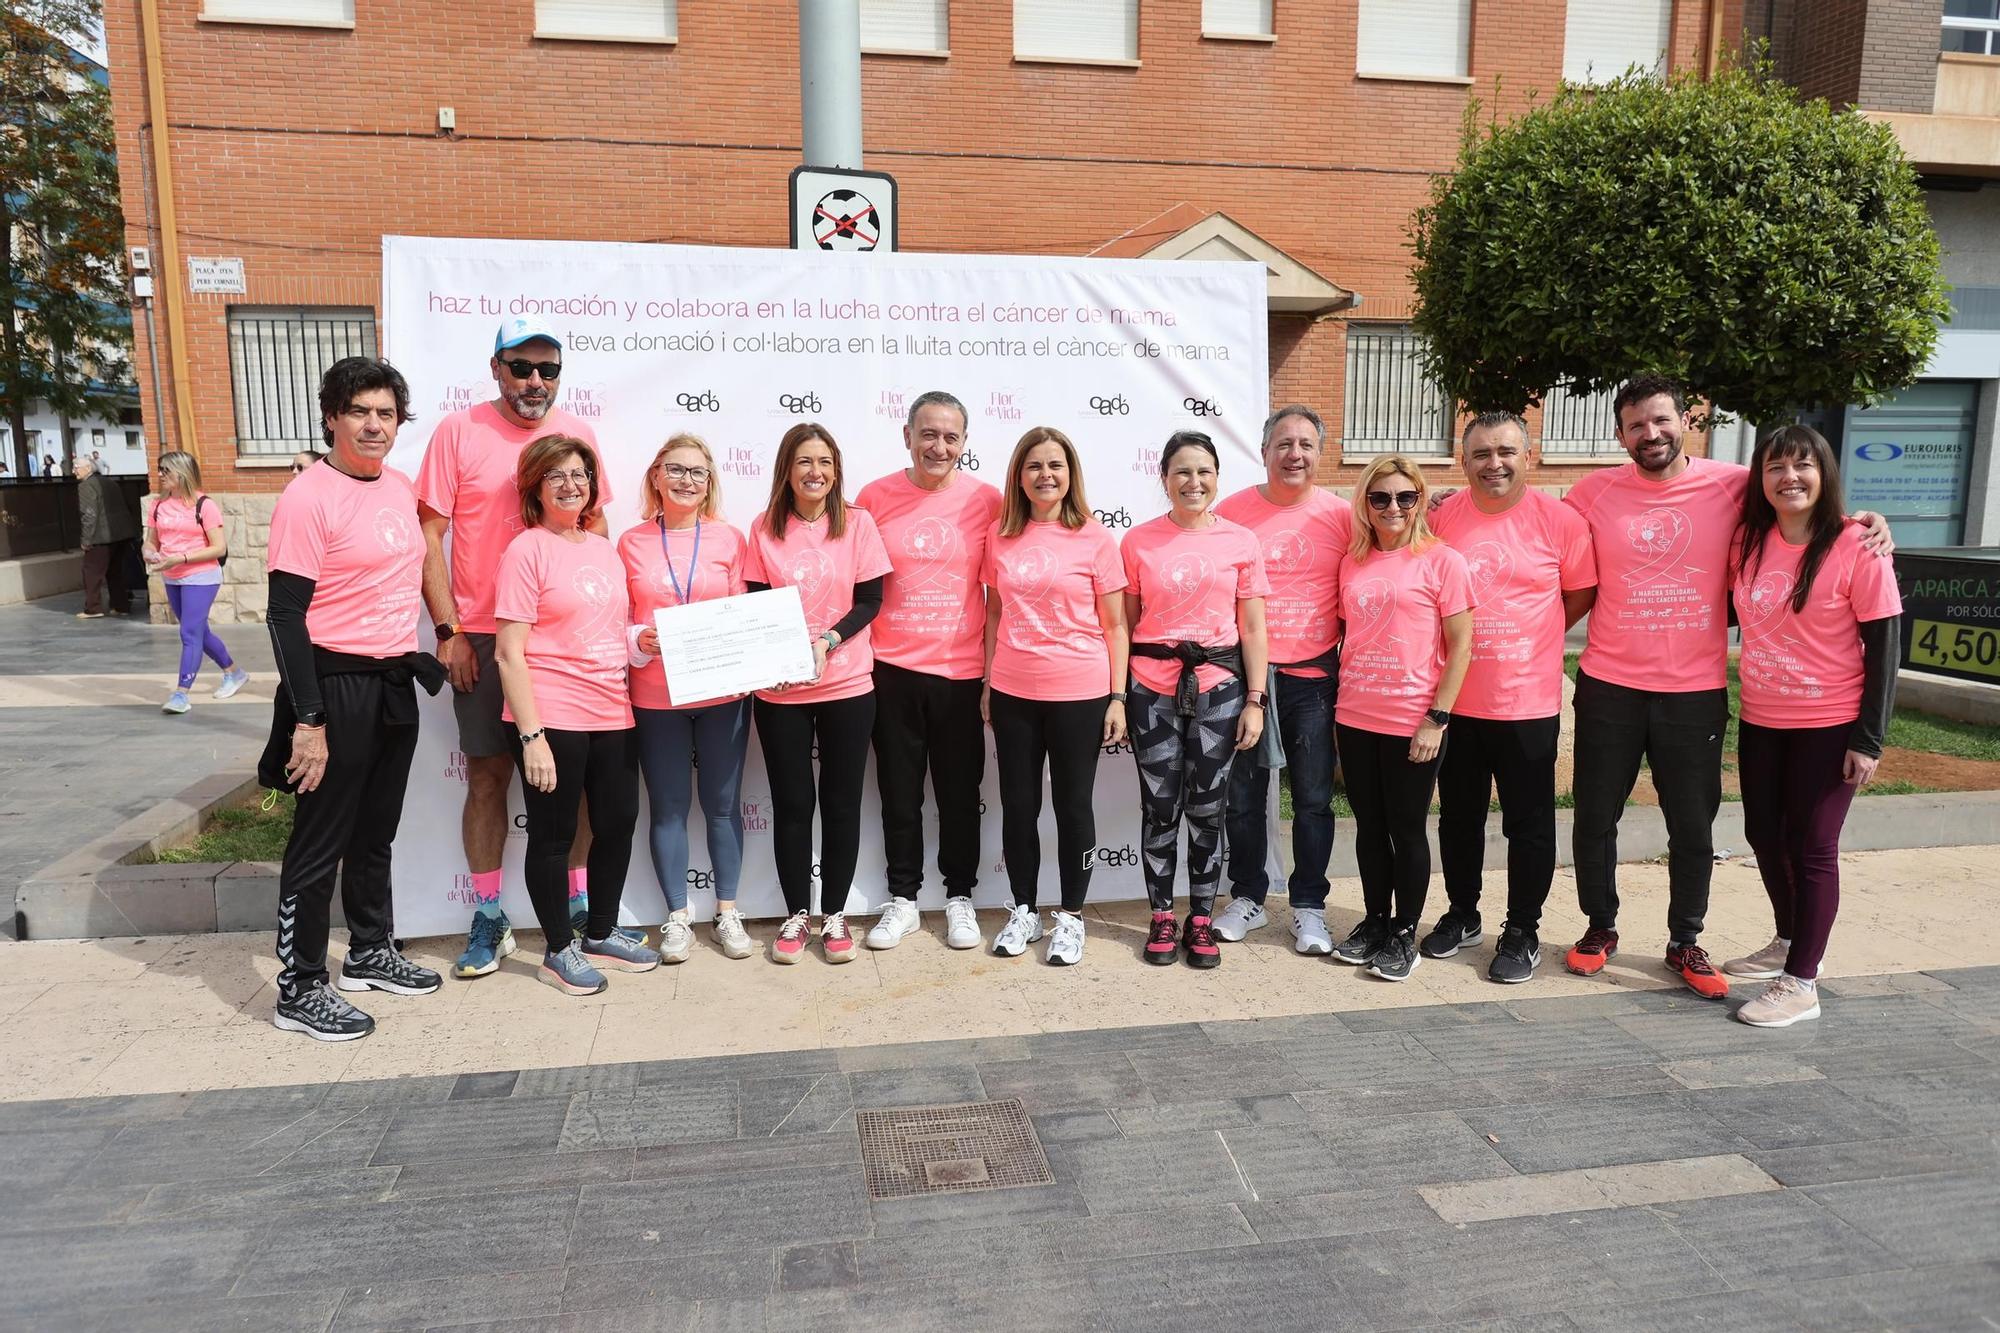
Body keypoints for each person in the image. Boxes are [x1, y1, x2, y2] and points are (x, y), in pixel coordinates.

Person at [1561, 375, 1892, 996]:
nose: (1650, 434)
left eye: (1661, 420)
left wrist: (1865, 523)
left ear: (1687, 419)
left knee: (1693, 824)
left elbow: (1799, 500)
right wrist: (1445, 503)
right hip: (1609, 685)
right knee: (1593, 816)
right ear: (1619, 434)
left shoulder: (1733, 483)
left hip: (1694, 691)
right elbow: (1531, 524)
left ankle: (1685, 940)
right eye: (1635, 425)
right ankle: (1599, 928)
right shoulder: (1591, 491)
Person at [416, 316, 611, 979]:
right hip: (483, 637)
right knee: (488, 776)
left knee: (576, 783)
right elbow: (429, 536)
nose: (535, 381)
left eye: (548, 369)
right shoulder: (458, 431)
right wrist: (448, 631)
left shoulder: (578, 434)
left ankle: (579, 906)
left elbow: (597, 527)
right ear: (496, 368)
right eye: (521, 366)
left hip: (567, 642)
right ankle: (489, 914)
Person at [261, 356, 441, 1040]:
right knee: (319, 840)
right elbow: (284, 616)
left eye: (386, 413)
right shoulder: (309, 495)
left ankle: (369, 950)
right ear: (332, 416)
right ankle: (300, 986)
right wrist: (308, 720)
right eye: (359, 411)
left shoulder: (399, 486)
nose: (373, 424)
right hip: (333, 687)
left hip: (393, 681)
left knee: (375, 832)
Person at [1724, 426, 1901, 1027]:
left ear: (1824, 474)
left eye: (1803, 466)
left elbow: (1884, 648)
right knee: (1763, 834)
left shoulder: (1856, 545)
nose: (1789, 478)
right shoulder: (1748, 540)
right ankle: (1790, 940)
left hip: (1830, 722)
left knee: (1814, 844)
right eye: (1775, 467)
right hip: (1762, 716)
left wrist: (1868, 739)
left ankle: (1802, 982)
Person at [1423, 413, 1596, 983]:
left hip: (1527, 702)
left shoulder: (1561, 521)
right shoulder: (1444, 516)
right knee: (1458, 819)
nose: (1493, 463)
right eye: (1480, 453)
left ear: (1530, 455)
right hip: (1457, 701)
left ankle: (1522, 929)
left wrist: (1534, 634)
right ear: (1462, 459)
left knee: (1529, 824)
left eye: (1505, 452)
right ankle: (1463, 913)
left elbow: (1579, 592)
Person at [494, 434, 659, 995]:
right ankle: (558, 950)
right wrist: (531, 734)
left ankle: (600, 932)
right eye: (557, 476)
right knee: (553, 836)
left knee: (616, 824)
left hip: (612, 708)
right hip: (552, 712)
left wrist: (643, 644)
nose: (571, 485)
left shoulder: (601, 548)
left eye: (580, 475)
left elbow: (613, 631)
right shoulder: (526, 549)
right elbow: (508, 651)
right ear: (535, 487)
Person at [857, 392, 1003, 952]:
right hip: (890, 669)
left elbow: (998, 594)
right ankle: (903, 899)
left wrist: (992, 677)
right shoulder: (874, 497)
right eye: (928, 434)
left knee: (959, 793)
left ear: (964, 443)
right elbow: (859, 584)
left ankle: (960, 896)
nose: (938, 446)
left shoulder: (987, 500)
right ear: (908, 436)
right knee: (898, 792)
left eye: (951, 437)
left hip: (961, 672)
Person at [980, 426, 1129, 965]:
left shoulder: (1095, 538)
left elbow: (1115, 627)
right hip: (1015, 691)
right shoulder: (1000, 535)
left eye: (1056, 466)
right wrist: (988, 681)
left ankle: (1070, 915)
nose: (1046, 475)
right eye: (1035, 466)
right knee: (1019, 806)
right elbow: (995, 613)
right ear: (1019, 476)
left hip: (1081, 694)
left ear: (1071, 475)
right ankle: (1024, 909)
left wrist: (1118, 696)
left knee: (1072, 806)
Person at [746, 423, 893, 964]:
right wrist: (776, 660)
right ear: (787, 468)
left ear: (836, 470)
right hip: (781, 690)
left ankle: (834, 914)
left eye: (825, 462)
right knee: (792, 804)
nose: (816, 472)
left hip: (848, 685)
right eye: (805, 461)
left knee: (840, 803)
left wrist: (828, 641)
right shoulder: (763, 527)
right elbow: (757, 605)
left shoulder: (858, 524)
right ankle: (795, 915)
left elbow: (871, 600)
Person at [1123, 430, 1268, 969]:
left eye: (1204, 471)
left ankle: (1201, 916)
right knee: (1160, 807)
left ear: (1217, 478)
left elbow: (1253, 627)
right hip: (1151, 691)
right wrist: (1119, 695)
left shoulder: (1241, 541)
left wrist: (1256, 699)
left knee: (1209, 809)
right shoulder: (1137, 542)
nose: (1194, 481)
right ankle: (1162, 915)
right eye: (1182, 471)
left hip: (1221, 691)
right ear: (1164, 478)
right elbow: (1125, 624)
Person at [1213, 405, 1350, 955]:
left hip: (1313, 677)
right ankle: (1247, 895)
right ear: (1264, 451)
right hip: (1246, 678)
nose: (1295, 454)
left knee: (1314, 798)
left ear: (1319, 452)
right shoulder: (1232, 512)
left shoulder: (1343, 515)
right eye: (1283, 444)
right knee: (1243, 797)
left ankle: (1309, 908)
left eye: (1306, 445)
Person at [1331, 455, 1473, 982]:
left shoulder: (1443, 562)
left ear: (1419, 500)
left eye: (1405, 497)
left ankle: (1403, 932)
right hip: (1356, 713)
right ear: (1365, 504)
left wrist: (1436, 718)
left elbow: (1461, 647)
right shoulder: (1354, 561)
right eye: (1381, 497)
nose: (1393, 507)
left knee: (1407, 828)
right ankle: (1373, 920)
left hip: (1414, 717)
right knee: (1369, 827)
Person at [620, 434, 755, 963]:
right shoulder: (630, 542)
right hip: (655, 694)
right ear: (655, 475)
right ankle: (677, 917)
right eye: (675, 469)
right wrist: (637, 640)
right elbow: (616, 618)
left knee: (723, 808)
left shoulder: (728, 539)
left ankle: (727, 912)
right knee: (669, 808)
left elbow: (743, 613)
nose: (685, 480)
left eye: (697, 472)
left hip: (723, 693)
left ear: (710, 484)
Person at [143, 450, 250, 714]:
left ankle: (181, 694)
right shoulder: (158, 505)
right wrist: (148, 552)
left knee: (189, 632)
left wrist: (182, 557)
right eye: (160, 470)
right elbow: (151, 541)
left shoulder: (205, 505)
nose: (160, 475)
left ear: (181, 473)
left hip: (201, 576)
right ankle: (234, 672)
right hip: (172, 576)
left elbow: (218, 548)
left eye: (165, 470)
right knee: (199, 630)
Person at [75, 455, 139, 619]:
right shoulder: (110, 482)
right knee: (115, 571)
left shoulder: (86, 486)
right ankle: (121, 605)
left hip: (101, 536)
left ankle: (93, 608)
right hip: (121, 534)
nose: (73, 470)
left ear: (88, 468)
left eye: (77, 467)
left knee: (91, 572)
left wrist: (86, 540)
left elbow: (89, 514)